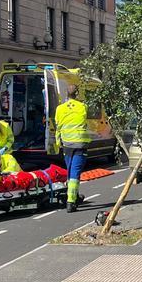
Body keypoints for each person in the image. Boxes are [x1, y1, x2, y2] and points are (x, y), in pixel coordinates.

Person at [55, 84, 91, 213]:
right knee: (75, 174)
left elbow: (58, 127)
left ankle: (74, 196)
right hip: (80, 144)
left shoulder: (59, 109)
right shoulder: (83, 107)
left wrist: (58, 142)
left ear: (66, 94)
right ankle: (71, 201)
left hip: (67, 144)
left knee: (70, 172)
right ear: (77, 94)